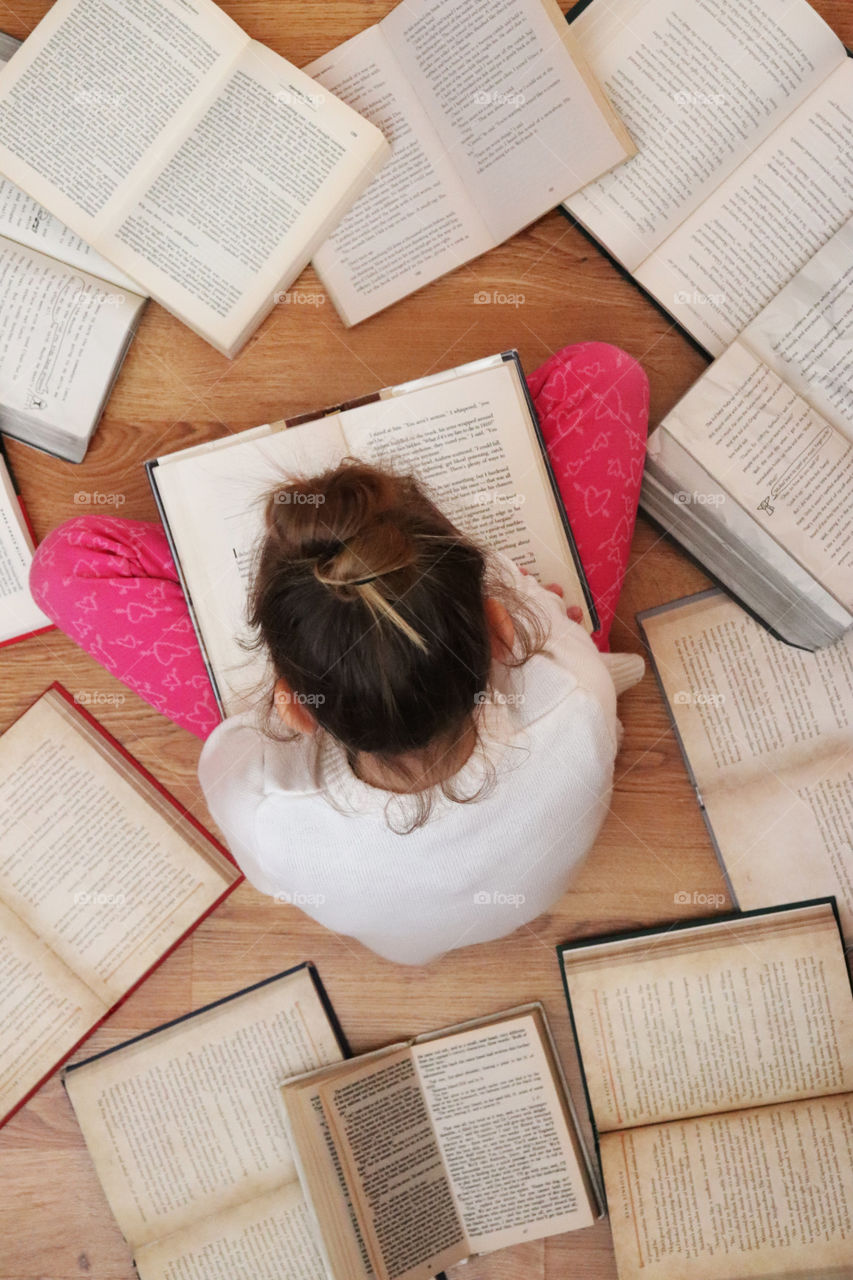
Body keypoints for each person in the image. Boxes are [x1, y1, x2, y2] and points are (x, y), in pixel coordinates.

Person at [30, 343, 649, 964]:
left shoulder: (271, 813)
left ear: (294, 709)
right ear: (498, 629)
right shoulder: (574, 694)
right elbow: (527, 603)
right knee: (604, 374)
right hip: (544, 800)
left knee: (63, 565)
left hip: (407, 922)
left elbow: (241, 743)